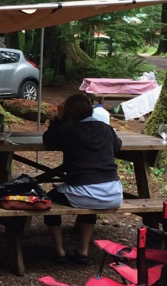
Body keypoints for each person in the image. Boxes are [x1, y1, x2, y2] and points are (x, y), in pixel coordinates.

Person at [41, 92, 123, 263]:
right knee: (89, 200)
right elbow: (117, 147)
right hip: (113, 193)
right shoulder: (105, 128)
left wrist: (58, 118)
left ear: (69, 113)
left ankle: (60, 251)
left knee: (48, 199)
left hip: (84, 190)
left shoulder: (69, 130)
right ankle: (83, 250)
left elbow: (48, 139)